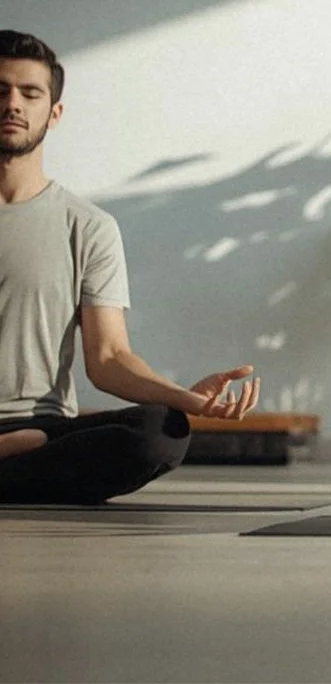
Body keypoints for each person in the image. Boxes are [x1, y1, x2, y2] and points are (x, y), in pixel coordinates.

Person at [0, 30, 260, 504]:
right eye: (1, 90)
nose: (13, 103)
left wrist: (185, 398)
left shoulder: (88, 227)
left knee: (160, 430)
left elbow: (109, 358)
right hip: (34, 448)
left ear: (54, 113)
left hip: (41, 427)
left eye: (29, 93)